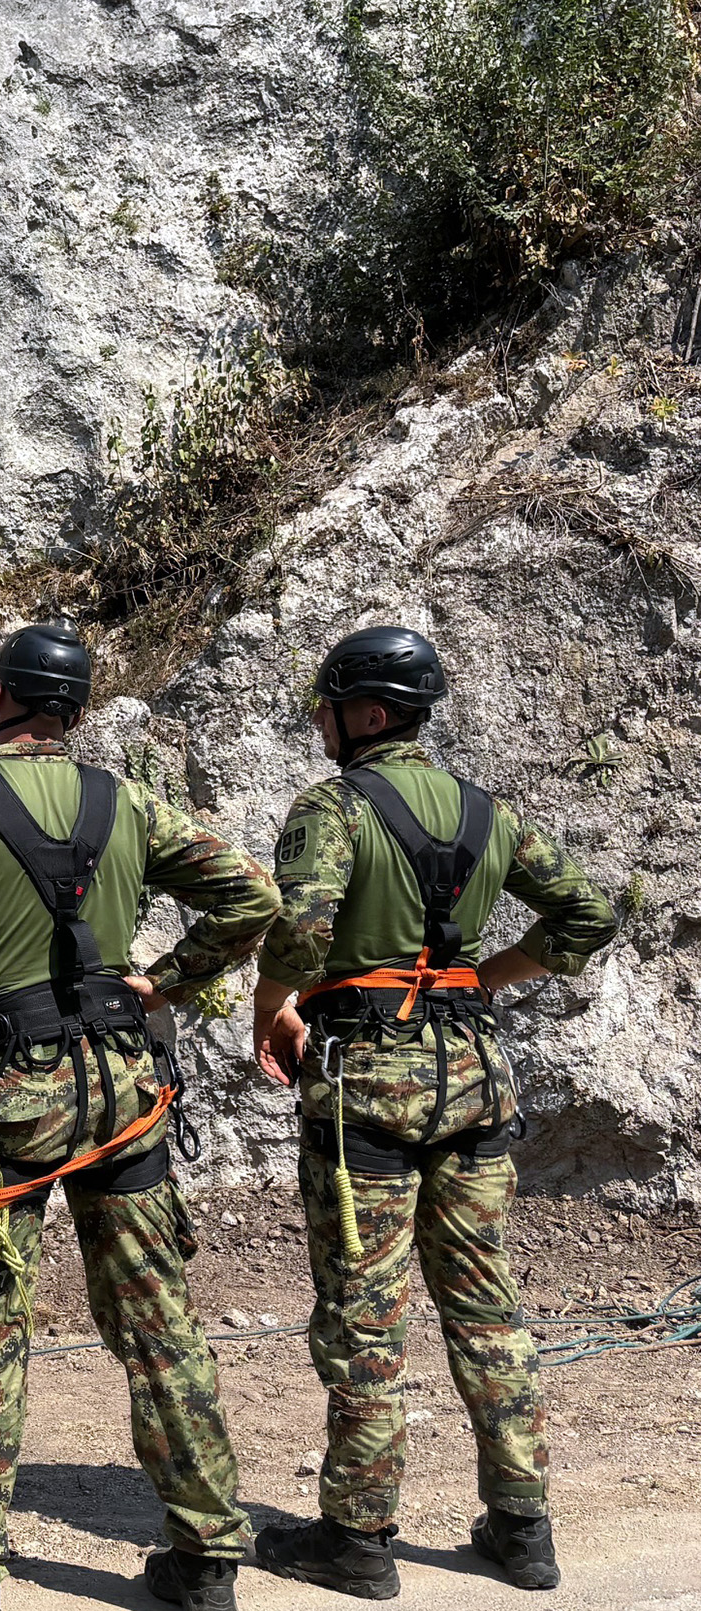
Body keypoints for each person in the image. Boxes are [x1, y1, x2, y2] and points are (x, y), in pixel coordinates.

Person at [0, 624, 281, 1611]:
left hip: (10, 1097)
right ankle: (207, 1555)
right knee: (157, 1316)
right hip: (122, 1089)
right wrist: (165, 980)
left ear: (0, 696)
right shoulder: (124, 800)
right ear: (75, 709)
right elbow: (252, 893)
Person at [248, 626, 619, 1600]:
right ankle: (523, 1528)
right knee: (486, 1305)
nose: (319, 722)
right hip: (475, 1083)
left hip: (368, 1093)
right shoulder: (488, 813)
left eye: (329, 706)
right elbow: (587, 912)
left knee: (366, 1318)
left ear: (370, 713)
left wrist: (270, 1009)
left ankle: (358, 1539)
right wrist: (480, 977)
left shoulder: (333, 807)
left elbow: (300, 928)